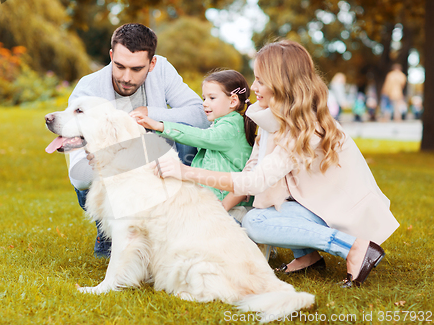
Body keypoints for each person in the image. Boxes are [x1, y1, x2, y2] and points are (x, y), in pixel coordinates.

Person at [151, 40, 399, 288]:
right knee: (259, 213)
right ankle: (307, 257)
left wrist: (187, 172)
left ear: (282, 83)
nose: (253, 86)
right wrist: (219, 210)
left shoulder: (305, 126)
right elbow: (251, 169)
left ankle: (354, 248)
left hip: (339, 209)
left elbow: (257, 181)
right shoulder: (272, 115)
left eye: (260, 80)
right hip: (311, 203)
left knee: (256, 222)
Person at [67, 23, 210, 258]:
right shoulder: (88, 90)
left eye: (136, 69)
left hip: (159, 169)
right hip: (121, 179)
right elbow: (79, 177)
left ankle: (179, 226)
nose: (126, 77)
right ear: (111, 56)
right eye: (119, 66)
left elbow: (201, 116)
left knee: (185, 132)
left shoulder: (162, 69)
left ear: (152, 64)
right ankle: (109, 232)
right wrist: (107, 157)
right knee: (90, 178)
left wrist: (152, 114)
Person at [131, 69, 256, 211]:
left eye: (212, 98)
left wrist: (160, 126)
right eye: (204, 98)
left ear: (233, 101)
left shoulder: (232, 126)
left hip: (233, 206)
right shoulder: (222, 124)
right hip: (216, 199)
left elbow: (201, 137)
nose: (205, 103)